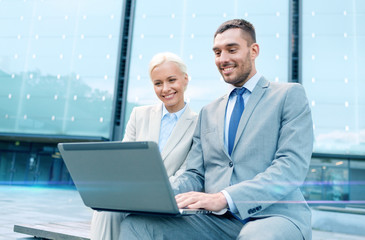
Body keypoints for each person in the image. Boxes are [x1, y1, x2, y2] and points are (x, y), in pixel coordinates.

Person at [119, 19, 314, 240]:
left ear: (254, 51)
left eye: (232, 50)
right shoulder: (208, 112)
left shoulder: (288, 95)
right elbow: (195, 174)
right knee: (137, 224)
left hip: (274, 217)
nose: (223, 59)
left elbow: (290, 168)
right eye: (217, 52)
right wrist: (153, 192)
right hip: (216, 220)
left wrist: (225, 197)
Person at [90, 52, 198, 240]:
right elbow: (123, 162)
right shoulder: (139, 115)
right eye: (158, 83)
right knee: (106, 211)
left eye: (171, 80)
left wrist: (151, 193)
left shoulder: (199, 123)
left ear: (185, 79)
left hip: (170, 200)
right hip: (131, 195)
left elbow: (188, 172)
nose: (165, 89)